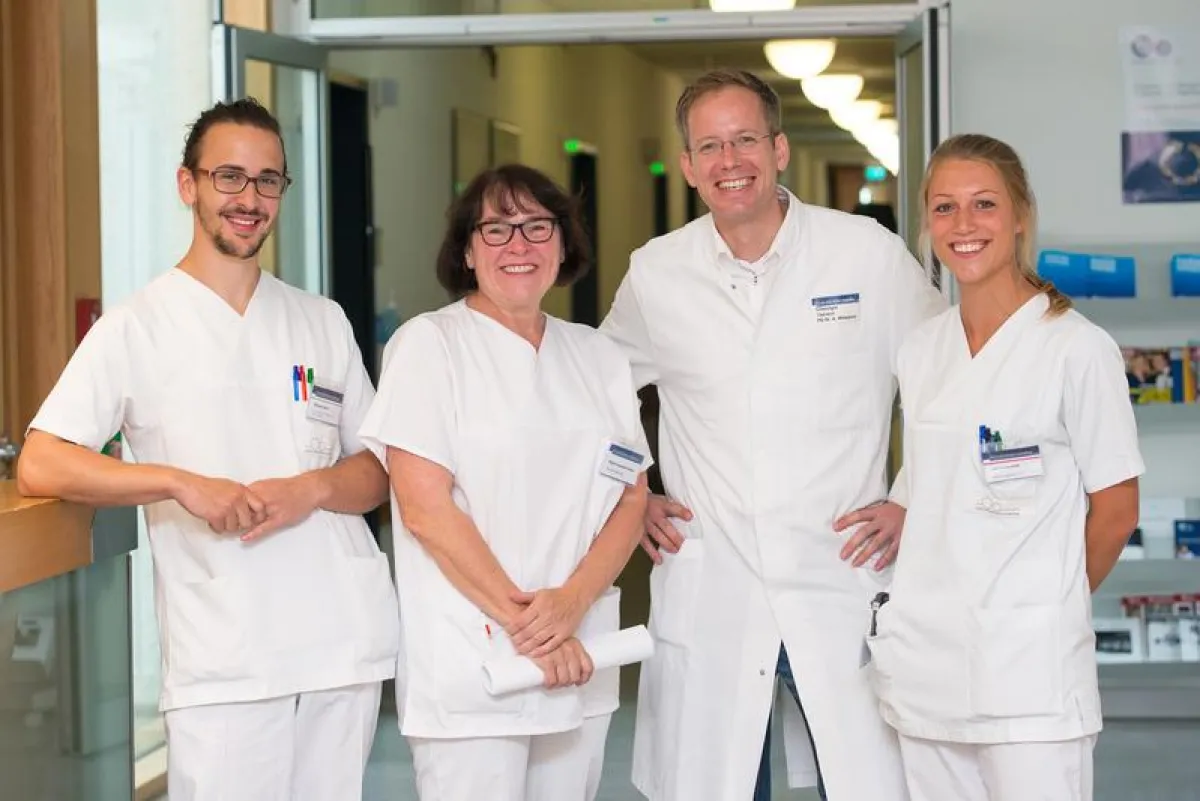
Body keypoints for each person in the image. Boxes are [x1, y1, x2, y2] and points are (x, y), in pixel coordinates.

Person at [16, 98, 399, 801]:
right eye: (229, 177)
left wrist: (311, 488)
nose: (249, 199)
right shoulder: (137, 326)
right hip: (226, 654)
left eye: (267, 180)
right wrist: (177, 482)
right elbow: (42, 458)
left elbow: (376, 471)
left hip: (339, 641)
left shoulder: (321, 319)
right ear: (187, 185)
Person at [600, 68, 946, 801]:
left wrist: (909, 497)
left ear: (780, 149)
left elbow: (946, 380)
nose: (730, 161)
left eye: (746, 140)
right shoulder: (658, 273)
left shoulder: (866, 254)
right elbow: (593, 395)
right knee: (722, 780)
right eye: (711, 146)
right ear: (688, 165)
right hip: (716, 581)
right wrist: (633, 496)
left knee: (863, 779)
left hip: (841, 575)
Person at [358, 164, 650, 801]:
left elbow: (631, 499)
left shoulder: (598, 357)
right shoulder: (429, 346)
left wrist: (571, 605)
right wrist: (535, 631)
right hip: (476, 661)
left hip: (579, 653)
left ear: (563, 244)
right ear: (467, 250)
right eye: (496, 229)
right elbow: (425, 508)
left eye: (537, 227)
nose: (519, 244)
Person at [865, 133, 1143, 801]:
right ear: (927, 223)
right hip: (928, 665)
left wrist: (1046, 607)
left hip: (1030, 677)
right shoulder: (921, 350)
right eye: (944, 207)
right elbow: (932, 475)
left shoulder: (1076, 349)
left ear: (1021, 215)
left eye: (984, 204)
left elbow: (1117, 510)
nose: (963, 224)